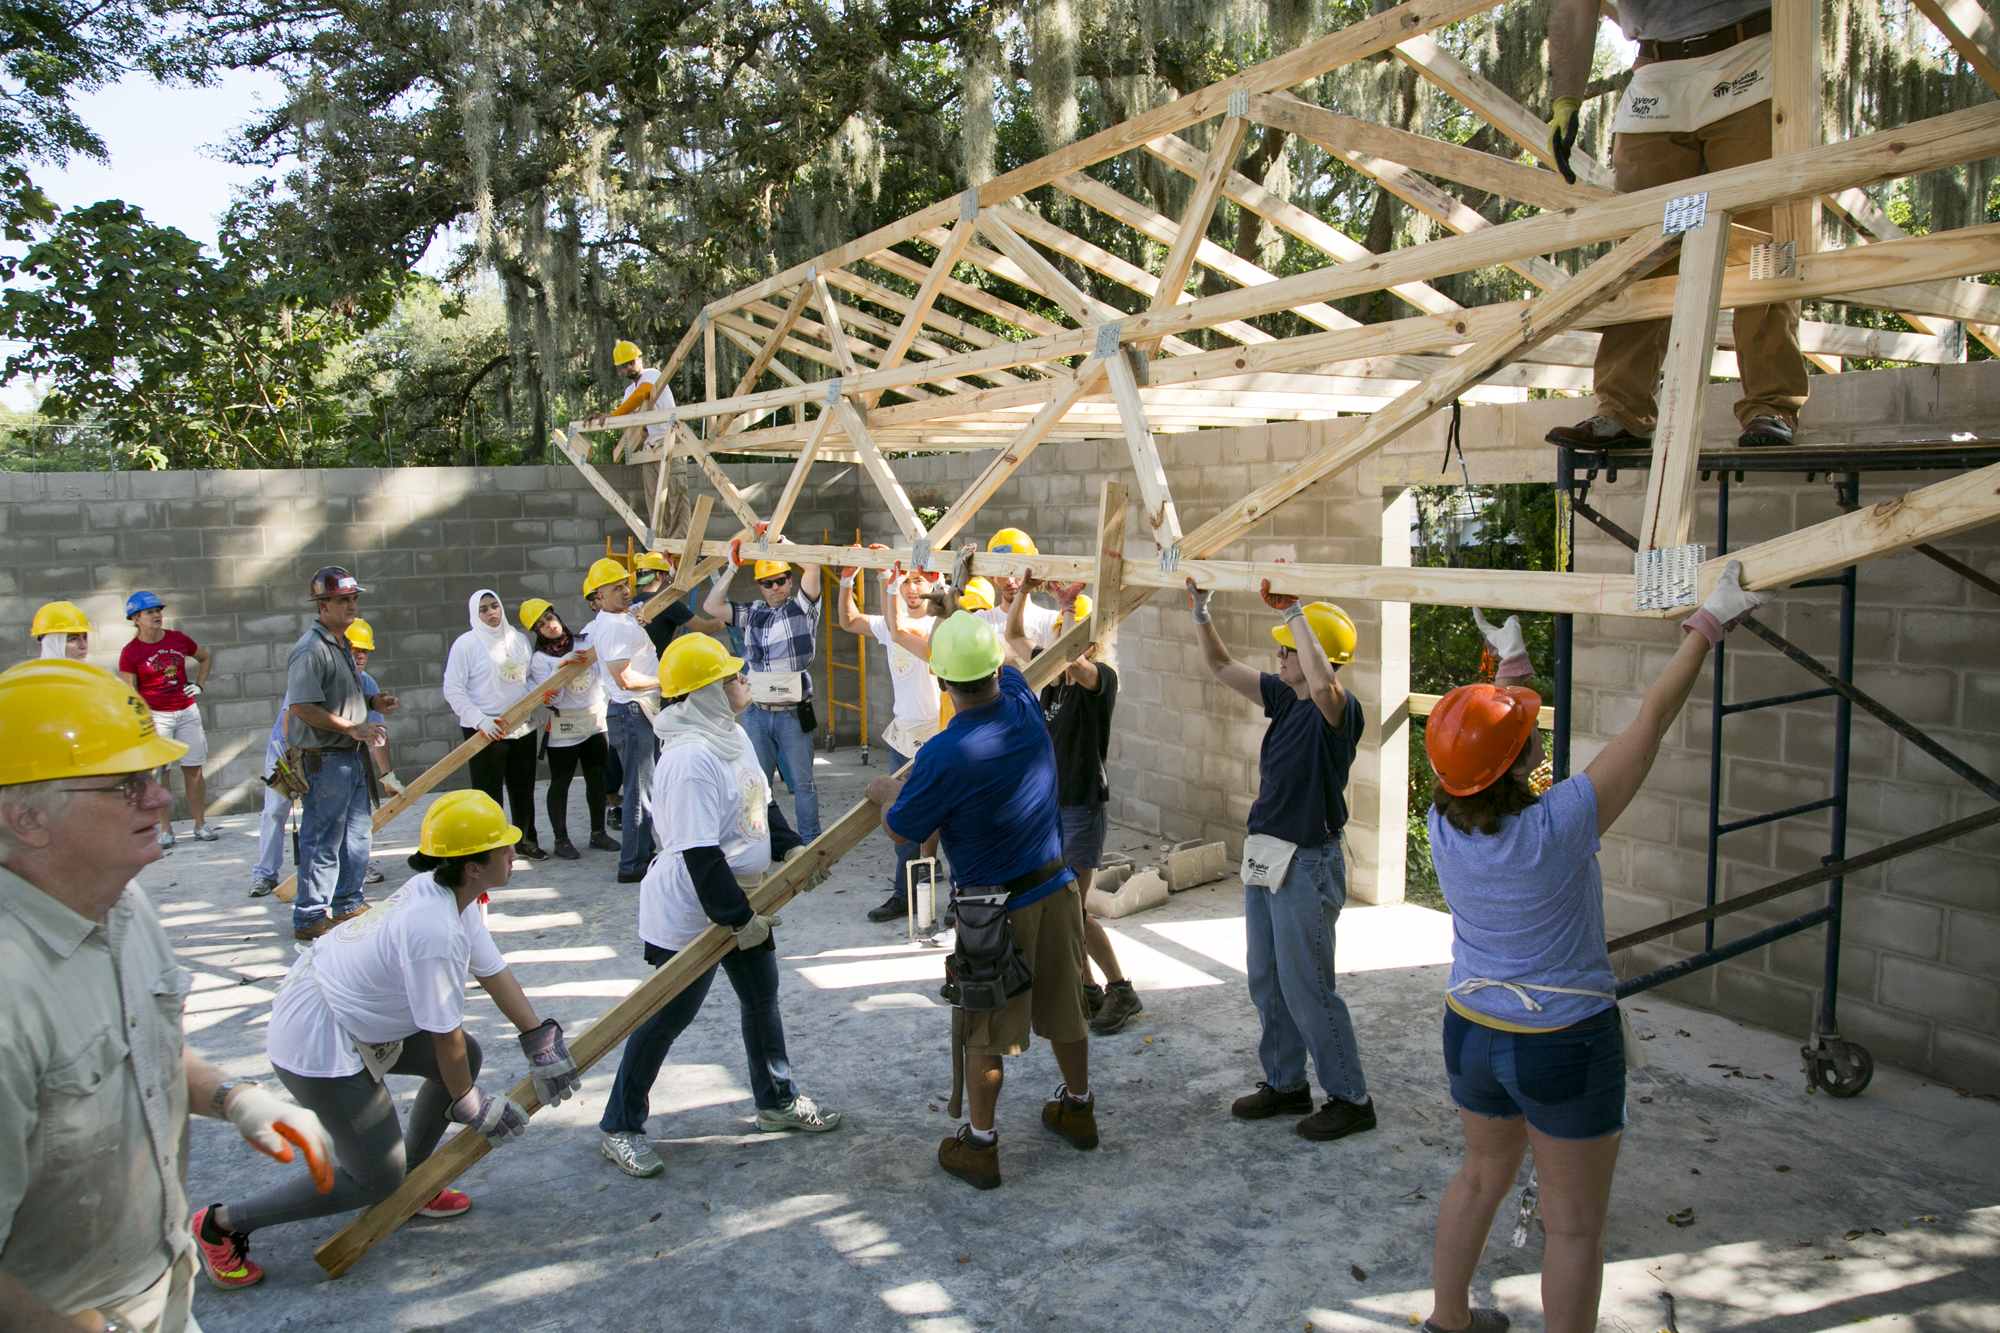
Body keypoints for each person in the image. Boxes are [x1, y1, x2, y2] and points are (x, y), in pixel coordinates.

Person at [1422, 566, 1771, 1333]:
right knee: (1573, 1226)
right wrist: (1705, 627)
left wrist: (1513, 674)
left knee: (1480, 1178)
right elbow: (1648, 724)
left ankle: (1447, 1320)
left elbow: (1496, 765)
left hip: (1473, 1029)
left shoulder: (1441, 825)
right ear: (1518, 768)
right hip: (1563, 1042)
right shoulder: (1560, 825)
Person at [0, 659, 334, 1331]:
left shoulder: (123, 906)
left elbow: (137, 1044)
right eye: (127, 785)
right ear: (26, 817)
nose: (160, 798)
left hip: (165, 1293)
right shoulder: (11, 994)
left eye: (153, 776)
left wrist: (234, 1097)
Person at [195, 790, 579, 1289]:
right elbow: (444, 1034)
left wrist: (537, 1037)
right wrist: (469, 1103)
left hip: (353, 1017)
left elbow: (493, 971)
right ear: (472, 868)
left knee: (468, 1060)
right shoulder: (433, 929)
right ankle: (219, 1223)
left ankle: (415, 1184)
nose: (513, 852)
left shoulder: (449, 894)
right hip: (319, 1037)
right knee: (375, 1178)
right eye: (502, 848)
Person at [864, 607, 1097, 1191]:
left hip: (998, 913)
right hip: (1057, 888)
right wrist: (959, 617)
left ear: (940, 683)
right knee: (1067, 1004)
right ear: (992, 670)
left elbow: (902, 827)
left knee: (984, 1028)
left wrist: (888, 792)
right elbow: (1016, 663)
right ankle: (1078, 1107)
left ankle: (982, 1146)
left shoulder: (944, 755)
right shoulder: (1022, 705)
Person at [598, 634, 842, 1178]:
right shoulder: (688, 757)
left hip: (743, 896)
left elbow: (762, 803)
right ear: (705, 692)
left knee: (762, 998)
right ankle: (620, 1124)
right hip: (694, 905)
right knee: (668, 1014)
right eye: (731, 678)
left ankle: (776, 1101)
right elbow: (697, 854)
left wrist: (791, 847)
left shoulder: (731, 735)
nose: (742, 682)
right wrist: (739, 920)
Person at [1543, 0, 1804, 451]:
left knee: (1767, 243)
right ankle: (1623, 410)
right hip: (1658, 76)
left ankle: (1771, 404)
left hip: (1752, 57)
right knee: (1643, 251)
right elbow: (1574, 7)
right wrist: (1566, 100)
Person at [1189, 578, 1375, 1141]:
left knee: (1307, 985)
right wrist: (1201, 612)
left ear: (1318, 655)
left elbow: (1323, 684)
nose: (1281, 654)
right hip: (1267, 854)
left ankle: (1351, 1098)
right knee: (1268, 980)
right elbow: (1222, 666)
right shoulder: (1280, 697)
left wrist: (1297, 609)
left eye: (1291, 648)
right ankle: (1286, 1084)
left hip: (1308, 861)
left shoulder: (1337, 710)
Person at [1004, 581, 1140, 1036]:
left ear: (1093, 644)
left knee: (1073, 912)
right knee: (1059, 913)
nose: (1060, 648)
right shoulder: (1050, 682)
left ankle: (1120, 988)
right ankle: (1088, 988)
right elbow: (1013, 634)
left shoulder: (1100, 681)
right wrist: (1024, 590)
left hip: (1081, 807)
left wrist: (1065, 611)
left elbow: (1074, 664)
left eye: (1074, 636)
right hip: (1051, 809)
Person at [835, 553, 941, 923]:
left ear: (932, 581)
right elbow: (848, 621)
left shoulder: (935, 625)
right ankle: (905, 896)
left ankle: (959, 902)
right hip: (902, 737)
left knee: (950, 823)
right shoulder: (887, 623)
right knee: (904, 821)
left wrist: (887, 581)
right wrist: (847, 581)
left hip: (938, 735)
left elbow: (898, 624)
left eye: (918, 580)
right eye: (906, 581)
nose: (913, 588)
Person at [701, 540, 825, 844]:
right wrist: (731, 566)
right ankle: (761, 839)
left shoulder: (802, 607)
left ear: (790, 580)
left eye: (781, 580)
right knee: (755, 782)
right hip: (758, 713)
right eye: (767, 583)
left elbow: (813, 565)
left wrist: (785, 545)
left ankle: (811, 843)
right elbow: (711, 607)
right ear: (760, 587)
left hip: (792, 714)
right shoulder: (753, 611)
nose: (775, 588)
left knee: (803, 782)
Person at [285, 568, 386, 941]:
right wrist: (351, 728)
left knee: (357, 835)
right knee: (323, 838)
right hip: (325, 759)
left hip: (348, 757)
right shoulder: (311, 649)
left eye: (353, 599)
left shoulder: (340, 643)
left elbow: (344, 695)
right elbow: (300, 707)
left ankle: (347, 902)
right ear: (322, 605)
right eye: (343, 600)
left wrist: (374, 701)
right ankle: (310, 916)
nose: (352, 606)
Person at [443, 589, 546, 861]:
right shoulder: (466, 644)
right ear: (475, 615)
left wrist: (538, 694)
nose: (491, 613)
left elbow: (530, 678)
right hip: (485, 730)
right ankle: (493, 847)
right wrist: (479, 720)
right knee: (488, 793)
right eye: (483, 609)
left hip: (522, 726)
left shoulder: (519, 639)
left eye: (494, 606)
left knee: (523, 786)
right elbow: (452, 688)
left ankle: (526, 840)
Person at [584, 557, 663, 884]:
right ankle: (632, 863)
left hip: (635, 713)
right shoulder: (614, 625)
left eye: (625, 584)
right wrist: (665, 679)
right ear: (598, 597)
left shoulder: (615, 618)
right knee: (638, 791)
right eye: (616, 588)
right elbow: (625, 679)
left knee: (643, 788)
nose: (625, 591)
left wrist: (632, 615)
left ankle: (643, 853)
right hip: (632, 712)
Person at [523, 597, 618, 860]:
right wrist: (559, 668)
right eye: (541, 624)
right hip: (564, 727)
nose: (549, 626)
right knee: (561, 783)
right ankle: (561, 840)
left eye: (550, 618)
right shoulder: (540, 660)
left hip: (594, 723)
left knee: (596, 779)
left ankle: (598, 833)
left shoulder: (585, 643)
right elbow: (550, 699)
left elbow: (603, 673)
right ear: (536, 632)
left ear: (558, 618)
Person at [118, 591, 215, 848]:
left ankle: (200, 825)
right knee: (161, 774)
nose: (156, 615)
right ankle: (165, 829)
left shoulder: (177, 639)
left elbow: (204, 657)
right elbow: (130, 692)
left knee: (194, 769)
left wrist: (199, 686)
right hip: (156, 717)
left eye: (158, 610)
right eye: (149, 612)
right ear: (136, 618)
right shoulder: (131, 652)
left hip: (186, 712)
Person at [970, 528, 1061, 650]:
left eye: (1016, 571)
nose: (1009, 581)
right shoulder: (981, 621)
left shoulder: (1051, 621)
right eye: (1002, 572)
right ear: (993, 576)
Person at [346, 618, 403, 797]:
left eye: (365, 651)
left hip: (346, 758)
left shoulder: (367, 684)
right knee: (276, 811)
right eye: (355, 650)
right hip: (291, 751)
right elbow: (292, 718)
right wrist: (292, 761)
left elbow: (378, 734)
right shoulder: (325, 677)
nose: (361, 656)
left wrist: (388, 776)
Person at [634, 552, 726, 654]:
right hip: (653, 668)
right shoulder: (667, 604)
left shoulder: (632, 604)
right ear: (658, 576)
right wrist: (729, 617)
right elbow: (705, 627)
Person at [594, 339, 675, 449]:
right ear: (620, 369)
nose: (629, 367)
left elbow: (642, 393)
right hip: (650, 445)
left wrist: (613, 415)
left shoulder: (652, 374)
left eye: (632, 362)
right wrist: (601, 416)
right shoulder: (629, 391)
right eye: (623, 366)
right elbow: (623, 414)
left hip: (669, 438)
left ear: (640, 360)